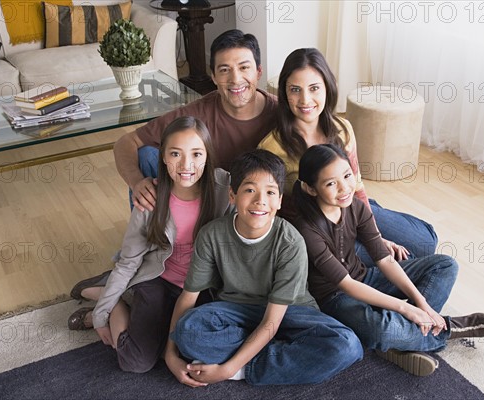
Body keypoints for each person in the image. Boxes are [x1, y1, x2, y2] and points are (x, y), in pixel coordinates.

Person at [292, 144, 484, 376]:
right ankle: (448, 329)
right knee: (382, 330)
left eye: (347, 176)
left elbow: (385, 260)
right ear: (311, 189)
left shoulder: (356, 207)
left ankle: (405, 340)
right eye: (331, 183)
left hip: (365, 277)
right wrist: (405, 309)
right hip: (335, 298)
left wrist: (422, 305)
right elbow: (346, 284)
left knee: (445, 265)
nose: (344, 188)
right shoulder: (307, 230)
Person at [164, 149, 362, 387]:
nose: (260, 201)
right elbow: (188, 298)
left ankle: (247, 369)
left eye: (270, 192)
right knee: (189, 330)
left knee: (347, 345)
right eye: (249, 190)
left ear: (279, 201)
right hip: (236, 311)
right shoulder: (212, 234)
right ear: (232, 195)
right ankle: (283, 357)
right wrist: (170, 353)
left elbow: (272, 321)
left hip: (290, 313)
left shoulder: (291, 242)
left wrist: (229, 368)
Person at [66, 116, 233, 373]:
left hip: (201, 287)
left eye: (197, 154)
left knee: (199, 351)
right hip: (158, 279)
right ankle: (114, 300)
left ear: (208, 157)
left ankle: (116, 293)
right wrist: (101, 315)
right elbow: (129, 260)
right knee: (136, 362)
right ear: (163, 158)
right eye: (176, 154)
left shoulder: (224, 187)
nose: (187, 164)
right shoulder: (151, 199)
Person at [258, 48, 437, 267]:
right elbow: (275, 210)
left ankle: (378, 214)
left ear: (327, 88)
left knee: (426, 244)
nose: (305, 99)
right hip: (316, 228)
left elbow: (357, 183)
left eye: (314, 88)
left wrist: (374, 234)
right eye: (295, 90)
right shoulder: (271, 147)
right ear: (285, 94)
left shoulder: (343, 129)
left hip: (351, 206)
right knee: (383, 261)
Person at [114, 29, 277, 213]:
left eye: (244, 67)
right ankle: (148, 234)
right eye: (224, 70)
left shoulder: (281, 112)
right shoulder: (198, 112)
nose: (235, 79)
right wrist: (136, 181)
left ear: (259, 71)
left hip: (259, 205)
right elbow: (125, 142)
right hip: (209, 200)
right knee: (146, 156)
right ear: (214, 77)